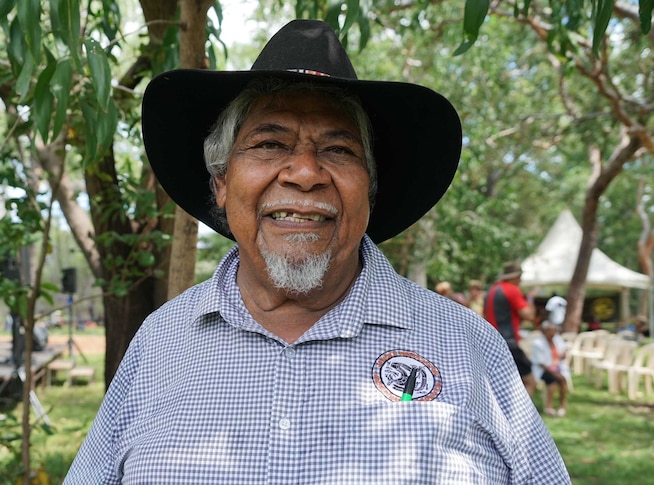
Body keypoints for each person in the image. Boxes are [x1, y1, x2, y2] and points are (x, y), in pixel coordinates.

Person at [64, 20, 569, 483]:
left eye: (338, 149)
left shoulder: (467, 346)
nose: (305, 173)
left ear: (367, 190)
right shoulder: (160, 343)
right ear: (220, 182)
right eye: (269, 144)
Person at [483, 261, 539, 398]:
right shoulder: (511, 290)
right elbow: (529, 315)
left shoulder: (490, 291)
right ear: (515, 277)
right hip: (508, 344)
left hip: (489, 344)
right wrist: (530, 298)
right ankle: (523, 418)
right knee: (530, 382)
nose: (521, 280)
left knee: (500, 387)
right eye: (520, 277)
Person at [530, 322, 570, 417]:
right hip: (543, 369)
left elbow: (564, 349)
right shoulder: (538, 343)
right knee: (553, 380)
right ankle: (549, 406)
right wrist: (554, 372)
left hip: (557, 368)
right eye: (550, 330)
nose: (552, 333)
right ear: (544, 331)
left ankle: (562, 405)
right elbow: (540, 362)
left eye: (554, 330)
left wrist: (564, 353)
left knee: (562, 379)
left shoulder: (557, 340)